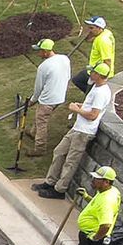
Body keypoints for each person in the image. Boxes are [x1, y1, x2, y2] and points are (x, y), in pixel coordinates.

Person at [37, 62, 112, 197]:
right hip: (77, 128)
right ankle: (50, 182)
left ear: (99, 75)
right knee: (59, 152)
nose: (90, 74)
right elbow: (91, 107)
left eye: (93, 72)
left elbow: (93, 115)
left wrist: (77, 110)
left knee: (70, 161)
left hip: (84, 132)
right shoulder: (96, 87)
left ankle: (59, 190)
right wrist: (82, 105)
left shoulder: (102, 92)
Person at [27, 37, 72, 153]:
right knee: (40, 116)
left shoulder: (43, 67)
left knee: (42, 121)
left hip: (48, 99)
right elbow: (68, 76)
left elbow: (38, 88)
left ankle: (40, 148)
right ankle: (33, 133)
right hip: (60, 97)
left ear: (46, 52)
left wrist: (32, 100)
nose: (38, 53)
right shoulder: (64, 58)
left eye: (39, 51)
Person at [81, 15, 116, 90]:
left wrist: (104, 76)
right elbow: (88, 40)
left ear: (99, 28)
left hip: (98, 72)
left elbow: (107, 60)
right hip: (94, 69)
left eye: (91, 28)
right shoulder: (105, 32)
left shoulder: (103, 41)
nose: (89, 30)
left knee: (88, 89)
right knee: (78, 80)